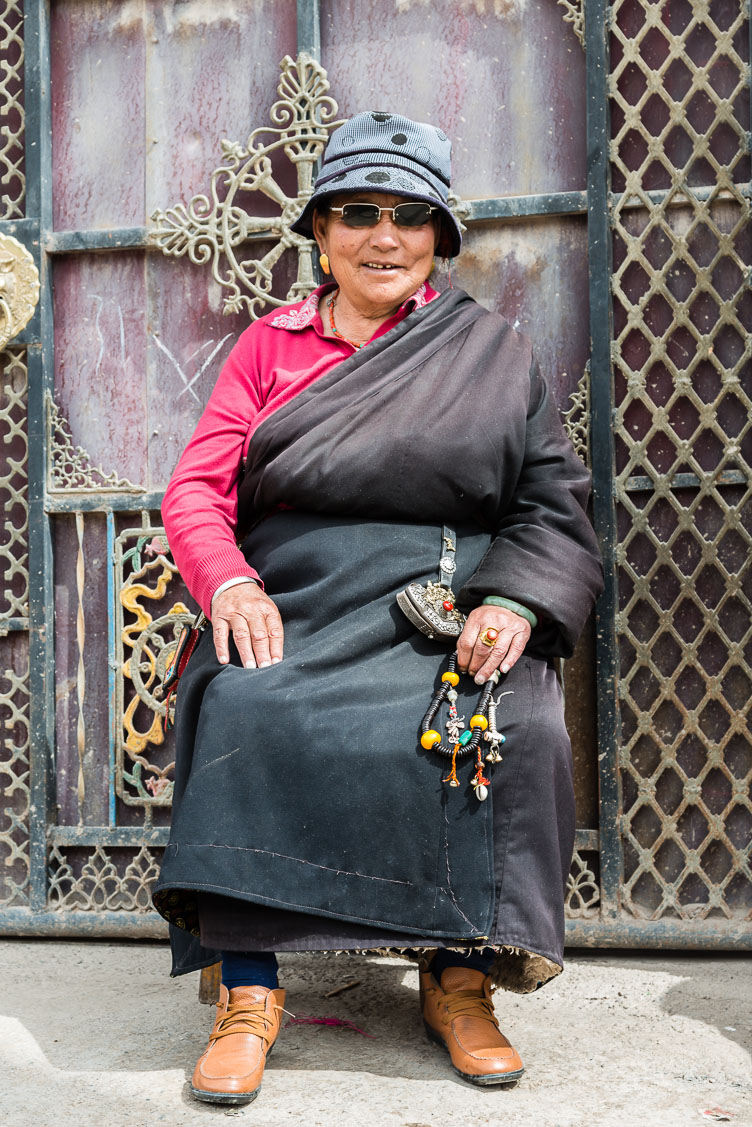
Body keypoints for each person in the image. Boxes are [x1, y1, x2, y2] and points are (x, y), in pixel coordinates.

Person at [152, 110, 603, 1105]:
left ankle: (459, 979)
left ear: (440, 235)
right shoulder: (268, 348)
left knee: (510, 719)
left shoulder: (490, 351)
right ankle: (250, 989)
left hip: (444, 607)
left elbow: (549, 501)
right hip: (299, 604)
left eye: (409, 214)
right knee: (245, 705)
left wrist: (512, 600)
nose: (383, 236)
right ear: (321, 232)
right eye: (357, 213)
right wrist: (230, 581)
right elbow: (196, 490)